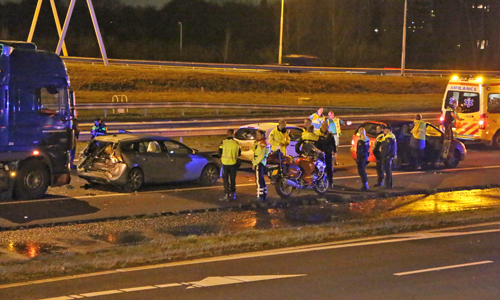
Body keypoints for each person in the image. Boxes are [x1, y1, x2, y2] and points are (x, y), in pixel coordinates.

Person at [218, 129, 241, 201]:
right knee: (232, 179)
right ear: (233, 134)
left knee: (225, 180)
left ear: (228, 134)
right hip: (233, 163)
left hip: (225, 163)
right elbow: (239, 153)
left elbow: (219, 153)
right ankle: (233, 194)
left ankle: (226, 194)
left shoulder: (223, 142)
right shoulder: (236, 143)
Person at [316, 122, 336, 189]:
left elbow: (333, 143)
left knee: (329, 168)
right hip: (320, 154)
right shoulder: (318, 134)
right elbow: (320, 143)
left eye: (326, 127)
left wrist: (334, 151)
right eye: (324, 127)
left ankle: (330, 183)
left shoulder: (330, 135)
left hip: (328, 154)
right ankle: (320, 183)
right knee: (320, 169)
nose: (325, 128)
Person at [252, 130, 270, 201]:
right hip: (261, 162)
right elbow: (255, 150)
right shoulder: (260, 143)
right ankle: (264, 194)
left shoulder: (262, 144)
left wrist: (255, 164)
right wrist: (255, 143)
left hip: (260, 163)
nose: (257, 136)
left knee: (259, 180)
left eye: (258, 135)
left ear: (262, 135)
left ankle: (260, 196)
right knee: (261, 179)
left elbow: (260, 156)